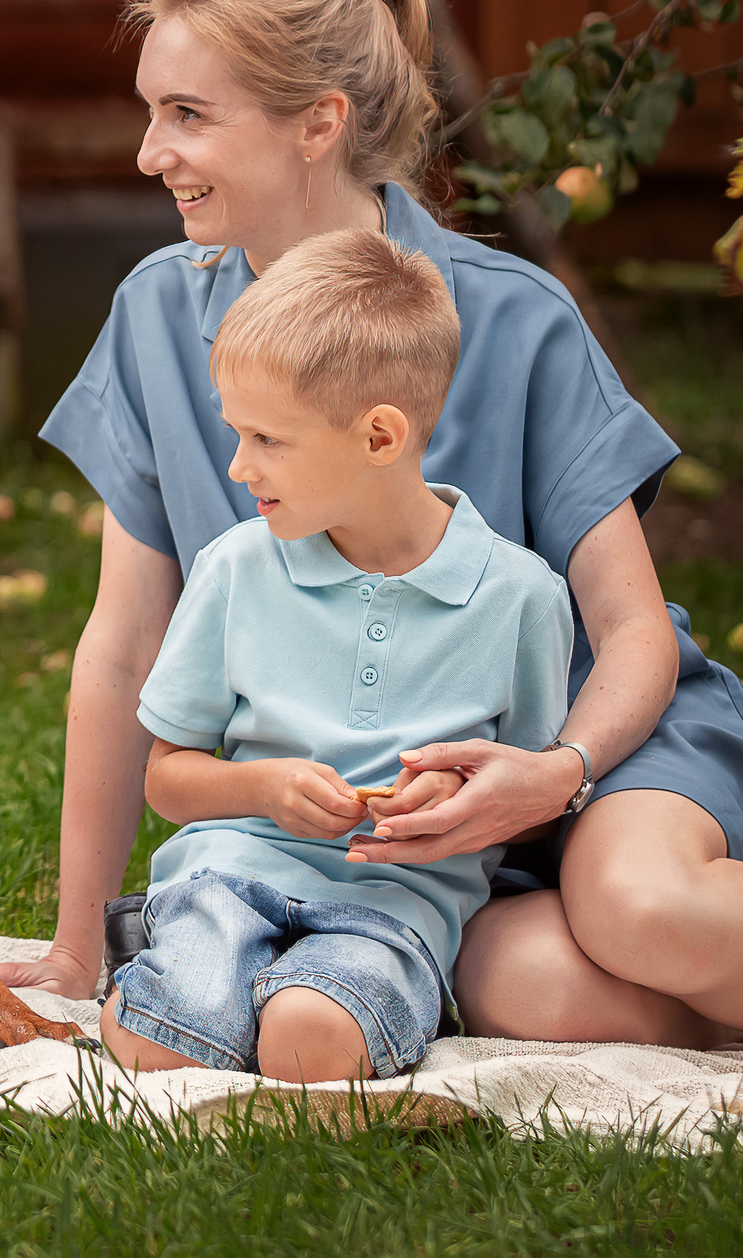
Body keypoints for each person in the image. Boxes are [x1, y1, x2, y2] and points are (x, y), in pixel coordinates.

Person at [0, 0, 743, 1047]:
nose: (150, 152)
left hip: (593, 747)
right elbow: (122, 648)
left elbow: (634, 634)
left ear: (318, 123)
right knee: (534, 995)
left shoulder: (511, 316)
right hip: (396, 848)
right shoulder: (157, 313)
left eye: (187, 115)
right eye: (150, 111)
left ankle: (700, 931)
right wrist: (68, 944)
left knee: (638, 912)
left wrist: (554, 773)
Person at [98, 229, 573, 1082]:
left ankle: (271, 995)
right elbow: (167, 776)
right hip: (227, 874)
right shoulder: (237, 567)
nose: (241, 466)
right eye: (236, 434)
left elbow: (534, 809)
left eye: (269, 441)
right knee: (152, 1045)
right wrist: (263, 788)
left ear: (380, 437)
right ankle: (185, 955)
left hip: (392, 905)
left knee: (310, 1042)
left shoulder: (521, 599)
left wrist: (457, 797)